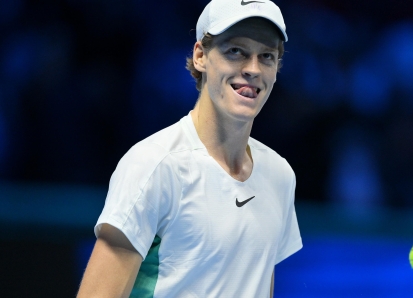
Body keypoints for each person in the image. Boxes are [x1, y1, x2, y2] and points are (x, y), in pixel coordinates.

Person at [77, 0, 303, 297]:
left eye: (267, 56)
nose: (252, 69)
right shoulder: (153, 165)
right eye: (236, 51)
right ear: (200, 56)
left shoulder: (280, 175)